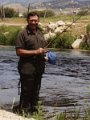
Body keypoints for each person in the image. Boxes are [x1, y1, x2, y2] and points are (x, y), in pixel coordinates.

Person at [13, 12, 47, 114]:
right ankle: (23, 113)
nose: (33, 22)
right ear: (27, 21)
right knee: (26, 93)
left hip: (39, 68)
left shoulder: (40, 33)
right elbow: (19, 51)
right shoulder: (22, 34)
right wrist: (36, 52)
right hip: (27, 69)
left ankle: (34, 113)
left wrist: (47, 55)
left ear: (38, 21)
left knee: (36, 92)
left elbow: (43, 48)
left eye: (35, 20)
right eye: (31, 20)